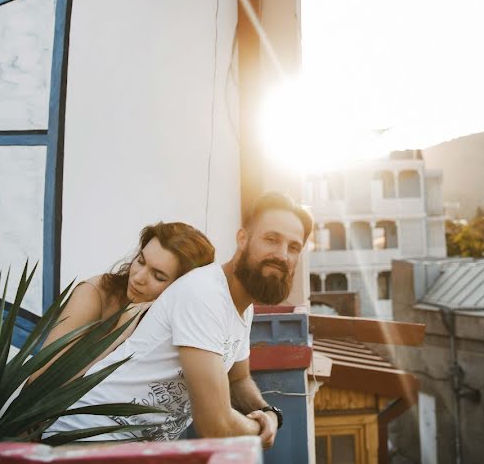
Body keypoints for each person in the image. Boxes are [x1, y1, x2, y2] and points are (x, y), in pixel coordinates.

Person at [45, 192, 313, 449]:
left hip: (131, 449)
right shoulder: (204, 294)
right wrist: (261, 428)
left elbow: (238, 380)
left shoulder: (242, 306)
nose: (282, 254)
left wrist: (268, 412)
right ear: (242, 238)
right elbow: (215, 426)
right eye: (271, 239)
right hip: (82, 440)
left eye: (293, 247)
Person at [28, 221, 215, 384]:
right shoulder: (95, 293)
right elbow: (38, 382)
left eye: (158, 276)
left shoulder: (182, 324)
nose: (138, 278)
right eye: (141, 261)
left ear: (182, 288)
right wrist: (118, 335)